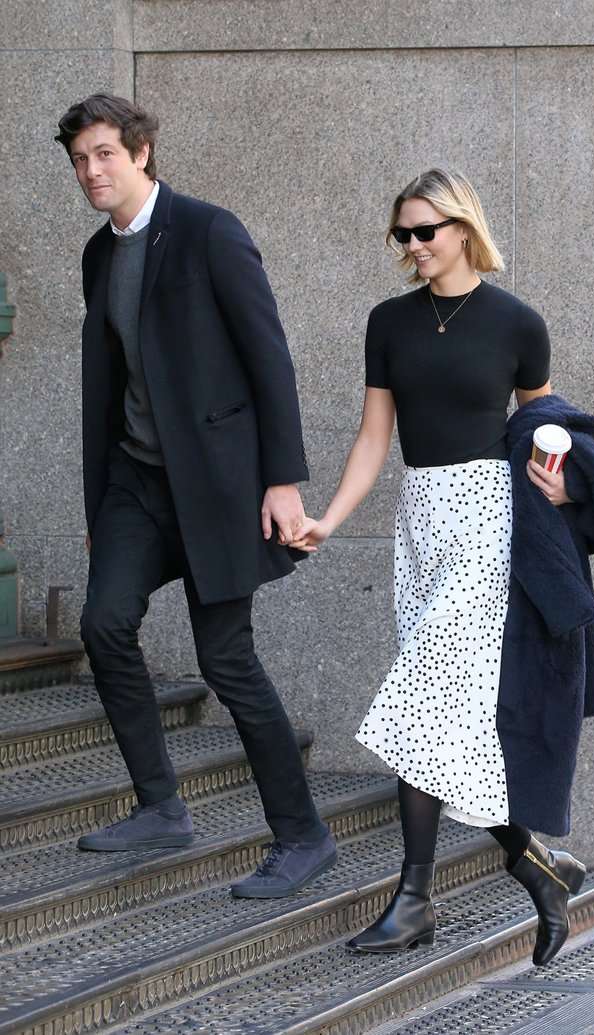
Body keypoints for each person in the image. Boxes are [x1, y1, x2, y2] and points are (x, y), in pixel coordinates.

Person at [293, 167, 588, 963]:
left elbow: (545, 428)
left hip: (488, 521)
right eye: (404, 233)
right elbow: (373, 437)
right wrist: (329, 519)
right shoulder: (389, 321)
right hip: (420, 521)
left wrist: (560, 487)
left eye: (426, 230)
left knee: (420, 706)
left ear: (464, 228)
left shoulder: (518, 323)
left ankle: (415, 900)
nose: (414, 244)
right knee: (446, 721)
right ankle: (539, 867)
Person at [54, 93, 336, 897]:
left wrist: (281, 481)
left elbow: (269, 357)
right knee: (104, 622)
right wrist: (100, 508)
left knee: (227, 659)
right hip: (137, 484)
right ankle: (160, 805)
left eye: (105, 153)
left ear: (141, 151)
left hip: (217, 487)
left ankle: (304, 834)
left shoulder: (210, 231)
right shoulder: (98, 255)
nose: (92, 171)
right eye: (80, 160)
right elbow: (109, 386)